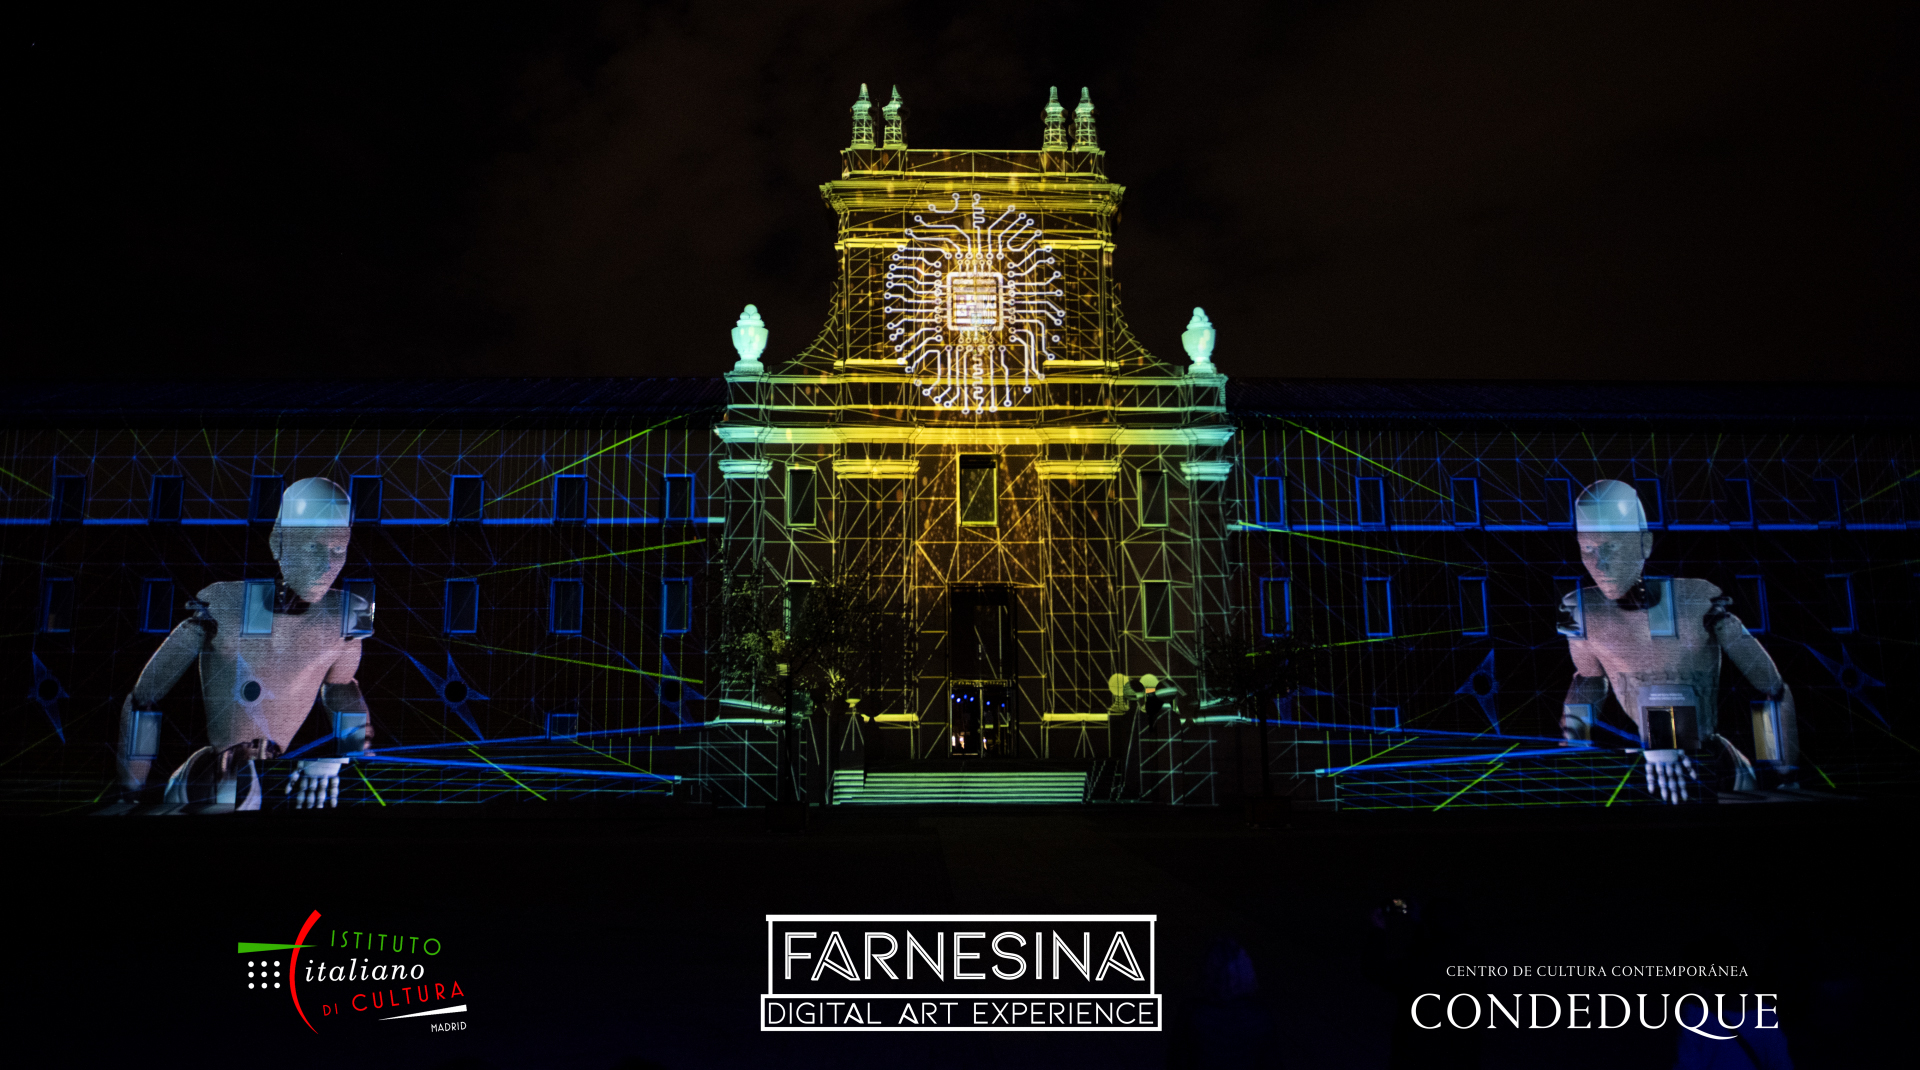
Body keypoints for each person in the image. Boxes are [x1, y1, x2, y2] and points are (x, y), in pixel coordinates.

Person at [113, 477, 374, 810]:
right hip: (210, 780)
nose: (327, 566)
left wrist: (344, 757)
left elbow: (341, 687)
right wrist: (130, 792)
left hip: (268, 780)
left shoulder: (344, 616)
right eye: (313, 547)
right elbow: (145, 698)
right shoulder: (225, 605)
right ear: (278, 542)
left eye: (338, 550)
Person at [1557, 480, 1799, 802]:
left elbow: (1771, 688)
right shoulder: (1582, 611)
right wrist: (1574, 738)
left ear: (1644, 544)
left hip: (1715, 768)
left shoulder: (1695, 601)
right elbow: (1589, 677)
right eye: (1588, 549)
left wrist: (1783, 774)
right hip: (1652, 769)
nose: (1599, 564)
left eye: (1611, 546)